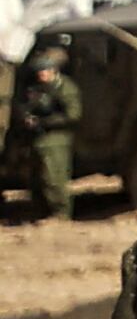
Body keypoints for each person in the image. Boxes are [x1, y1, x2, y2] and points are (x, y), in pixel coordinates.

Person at [11, 41, 71, 220]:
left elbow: (72, 115)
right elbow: (25, 107)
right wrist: (28, 118)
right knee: (37, 179)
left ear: (53, 71)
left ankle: (61, 214)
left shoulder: (64, 88)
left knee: (55, 179)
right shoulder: (37, 90)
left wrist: (45, 121)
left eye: (44, 71)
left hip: (56, 138)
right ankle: (42, 212)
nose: (41, 75)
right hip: (38, 139)